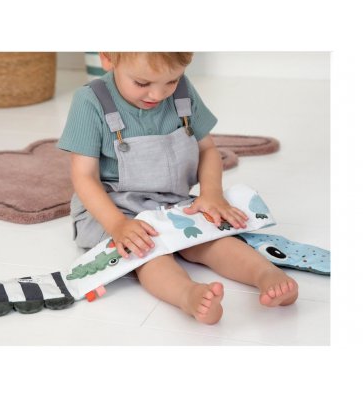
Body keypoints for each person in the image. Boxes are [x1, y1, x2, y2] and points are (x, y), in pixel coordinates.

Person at [58, 52, 298, 324]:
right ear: (107, 58)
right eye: (142, 83)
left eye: (171, 81)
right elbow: (84, 177)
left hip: (172, 201)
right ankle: (188, 295)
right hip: (111, 208)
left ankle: (264, 273)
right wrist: (117, 225)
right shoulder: (90, 101)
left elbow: (207, 150)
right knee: (147, 253)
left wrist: (211, 194)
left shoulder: (182, 92)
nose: (158, 94)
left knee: (211, 237)